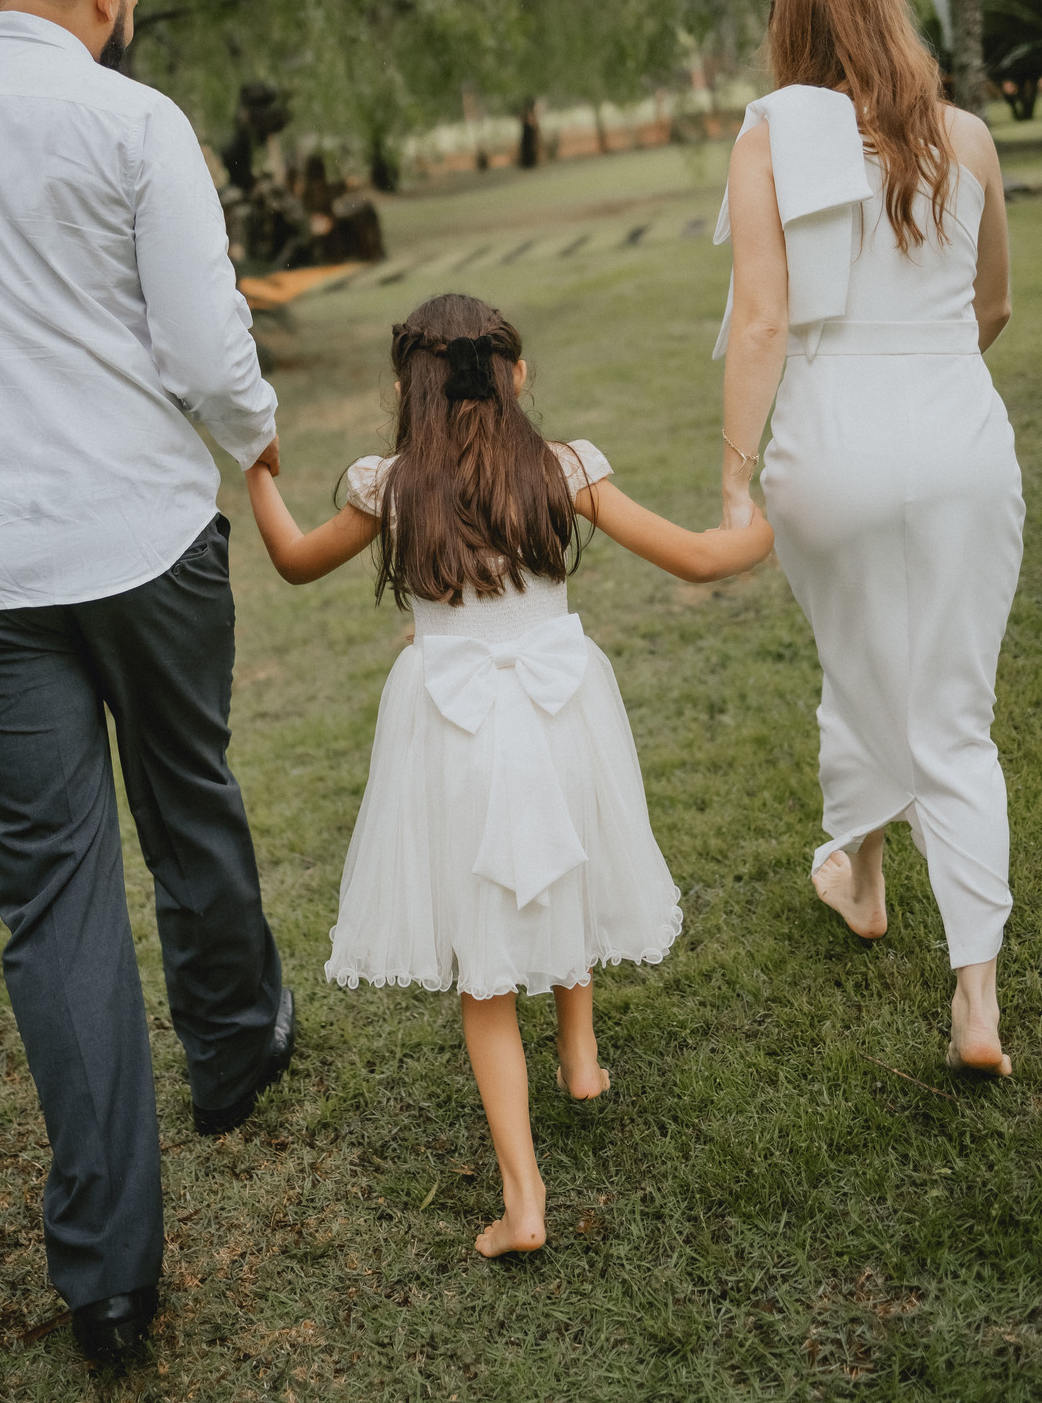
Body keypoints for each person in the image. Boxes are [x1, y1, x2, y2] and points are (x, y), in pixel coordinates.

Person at [0, 0, 295, 1363]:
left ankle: (107, 1280)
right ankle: (233, 1054)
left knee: (53, 903)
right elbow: (208, 351)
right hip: (140, 535)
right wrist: (257, 437)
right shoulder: (135, 120)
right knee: (188, 792)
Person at [245, 292, 773, 1256]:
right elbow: (701, 559)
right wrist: (774, 520)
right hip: (562, 710)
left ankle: (525, 1196)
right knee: (568, 856)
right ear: (516, 375)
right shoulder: (561, 469)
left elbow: (290, 559)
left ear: (407, 392)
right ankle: (580, 1054)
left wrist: (257, 471)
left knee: (484, 965)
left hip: (450, 729)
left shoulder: (388, 486)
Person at [715, 0, 1024, 1076]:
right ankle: (976, 1001)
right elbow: (994, 306)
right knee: (954, 712)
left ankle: (863, 875)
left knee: (858, 666)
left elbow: (762, 324)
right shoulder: (967, 138)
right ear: (888, 7)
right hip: (960, 443)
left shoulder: (769, 143)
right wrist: (929, 381)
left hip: (831, 443)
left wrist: (733, 478)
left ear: (788, 24)